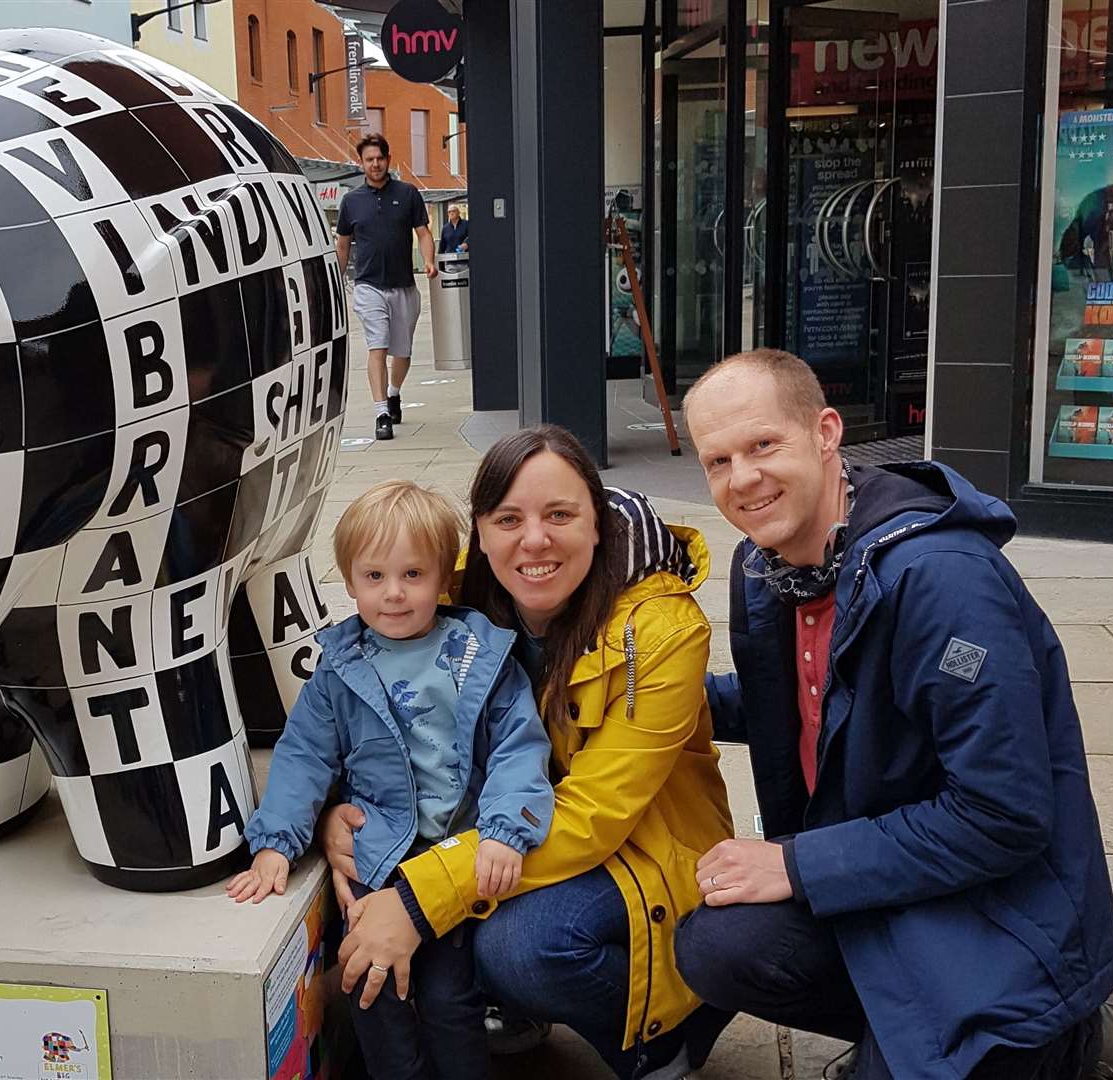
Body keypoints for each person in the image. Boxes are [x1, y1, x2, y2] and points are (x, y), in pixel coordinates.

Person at [674, 349, 1113, 1080]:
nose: (742, 479)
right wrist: (652, 699)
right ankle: (899, 1030)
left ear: (825, 433)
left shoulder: (943, 582)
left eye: (762, 445)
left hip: (1002, 925)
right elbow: (807, 701)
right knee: (717, 943)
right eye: (718, 461)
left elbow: (1002, 815)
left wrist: (795, 862)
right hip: (899, 885)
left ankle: (1053, 1040)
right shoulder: (776, 566)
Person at [320, 426, 735, 1080]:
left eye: (560, 515)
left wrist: (417, 898)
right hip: (509, 831)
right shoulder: (442, 599)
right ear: (479, 534)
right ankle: (508, 1003)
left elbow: (597, 811)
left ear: (597, 525)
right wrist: (337, 807)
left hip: (641, 848)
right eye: (508, 518)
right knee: (435, 904)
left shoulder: (658, 630)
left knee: (515, 947)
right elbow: (354, 699)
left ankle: (667, 1039)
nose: (533, 540)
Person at [231, 479, 555, 1080]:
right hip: (379, 860)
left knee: (448, 999)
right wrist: (276, 842)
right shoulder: (341, 669)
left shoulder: (477, 653)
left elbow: (518, 746)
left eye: (413, 575)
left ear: (443, 578)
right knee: (370, 985)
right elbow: (304, 755)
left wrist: (507, 829)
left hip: (459, 856)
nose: (394, 594)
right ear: (349, 582)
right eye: (374, 577)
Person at [336, 133, 437, 442]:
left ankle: (394, 393)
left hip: (404, 286)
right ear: (361, 163)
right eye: (369, 159)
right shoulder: (351, 201)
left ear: (387, 159)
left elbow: (423, 233)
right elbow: (342, 244)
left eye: (379, 158)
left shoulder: (407, 194)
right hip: (368, 286)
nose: (375, 164)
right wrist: (337, 280)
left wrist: (429, 261)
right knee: (377, 346)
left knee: (402, 350)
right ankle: (382, 413)